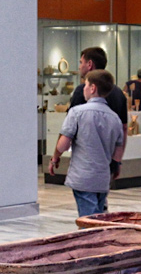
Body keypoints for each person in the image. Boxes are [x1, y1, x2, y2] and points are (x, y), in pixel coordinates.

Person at [49, 69, 126, 217]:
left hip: (83, 176)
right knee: (99, 216)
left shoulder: (77, 112)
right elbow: (118, 150)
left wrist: (55, 157)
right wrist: (116, 166)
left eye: (85, 85)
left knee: (88, 221)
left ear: (93, 88)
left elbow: (63, 145)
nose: (83, 89)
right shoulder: (114, 118)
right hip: (102, 178)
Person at [68, 47, 127, 123]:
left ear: (89, 64)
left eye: (81, 62)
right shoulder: (119, 93)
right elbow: (124, 127)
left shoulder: (82, 90)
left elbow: (71, 123)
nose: (79, 67)